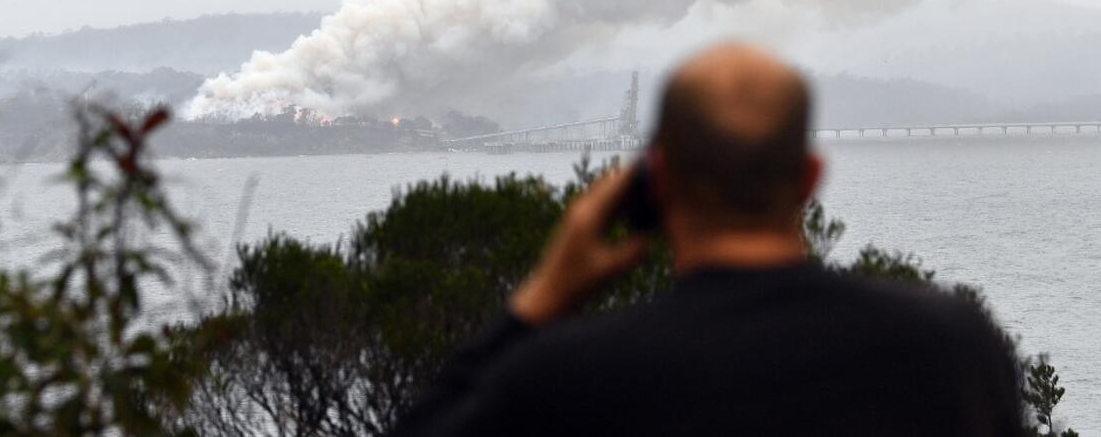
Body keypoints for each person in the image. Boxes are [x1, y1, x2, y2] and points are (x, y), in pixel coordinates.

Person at [390, 43, 1023, 436]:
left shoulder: (570, 378)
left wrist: (535, 305)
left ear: (655, 182)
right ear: (808, 178)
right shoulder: (955, 349)